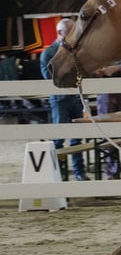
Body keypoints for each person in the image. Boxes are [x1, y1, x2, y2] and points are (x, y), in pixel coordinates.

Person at [39, 18, 90, 181]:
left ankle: (79, 173)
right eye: (70, 32)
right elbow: (49, 76)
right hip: (60, 99)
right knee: (59, 138)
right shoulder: (48, 52)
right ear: (60, 33)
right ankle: (57, 174)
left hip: (75, 97)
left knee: (76, 138)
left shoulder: (73, 51)